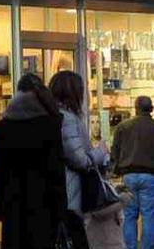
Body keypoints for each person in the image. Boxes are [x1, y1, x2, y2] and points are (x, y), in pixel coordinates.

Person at [0, 72, 66, 249]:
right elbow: (56, 172)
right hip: (43, 203)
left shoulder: (3, 127)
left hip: (12, 203)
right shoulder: (49, 126)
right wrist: (61, 211)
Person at [49, 71, 110, 249]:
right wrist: (100, 152)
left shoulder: (53, 116)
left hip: (62, 192)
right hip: (71, 191)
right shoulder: (67, 119)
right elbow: (78, 159)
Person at [112, 96, 154, 249]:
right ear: (151, 109)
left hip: (128, 175)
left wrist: (116, 170)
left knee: (129, 215)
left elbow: (115, 151)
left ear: (136, 108)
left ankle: (130, 247)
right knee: (148, 215)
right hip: (150, 176)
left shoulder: (123, 127)